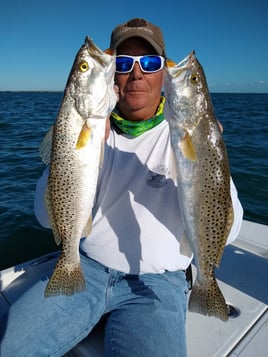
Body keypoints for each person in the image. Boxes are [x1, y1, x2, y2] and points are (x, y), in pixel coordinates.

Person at [0, 18, 243, 357]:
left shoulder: (185, 132)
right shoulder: (90, 126)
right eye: (124, 63)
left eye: (150, 62)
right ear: (112, 73)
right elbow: (44, 216)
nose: (137, 73)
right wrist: (72, 144)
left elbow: (229, 230)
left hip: (157, 283)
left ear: (163, 74)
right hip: (85, 267)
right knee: (12, 348)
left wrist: (212, 154)